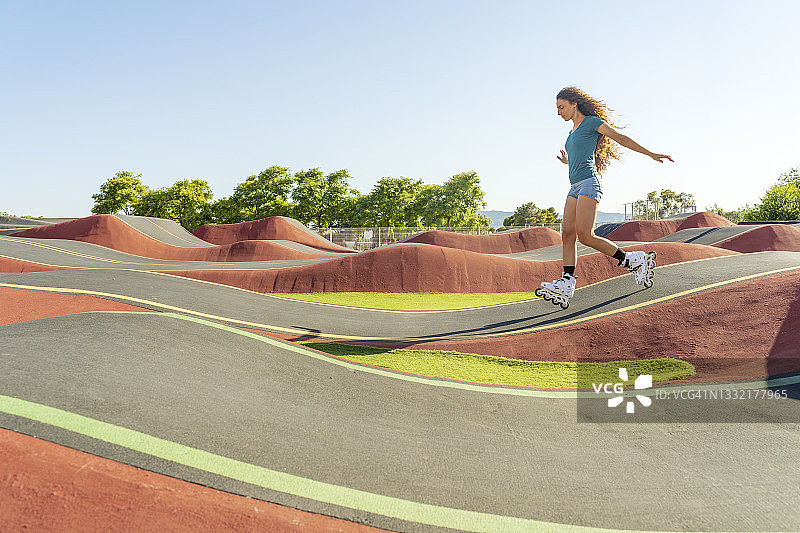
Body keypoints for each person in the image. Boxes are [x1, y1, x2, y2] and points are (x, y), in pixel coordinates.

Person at [538, 87, 673, 308]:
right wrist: (568, 162)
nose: (558, 112)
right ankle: (566, 282)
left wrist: (651, 153)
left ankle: (632, 259)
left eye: (561, 107)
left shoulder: (592, 122)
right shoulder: (571, 132)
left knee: (586, 236)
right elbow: (580, 156)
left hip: (589, 184)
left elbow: (620, 138)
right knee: (567, 234)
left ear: (574, 104)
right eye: (557, 108)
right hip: (574, 186)